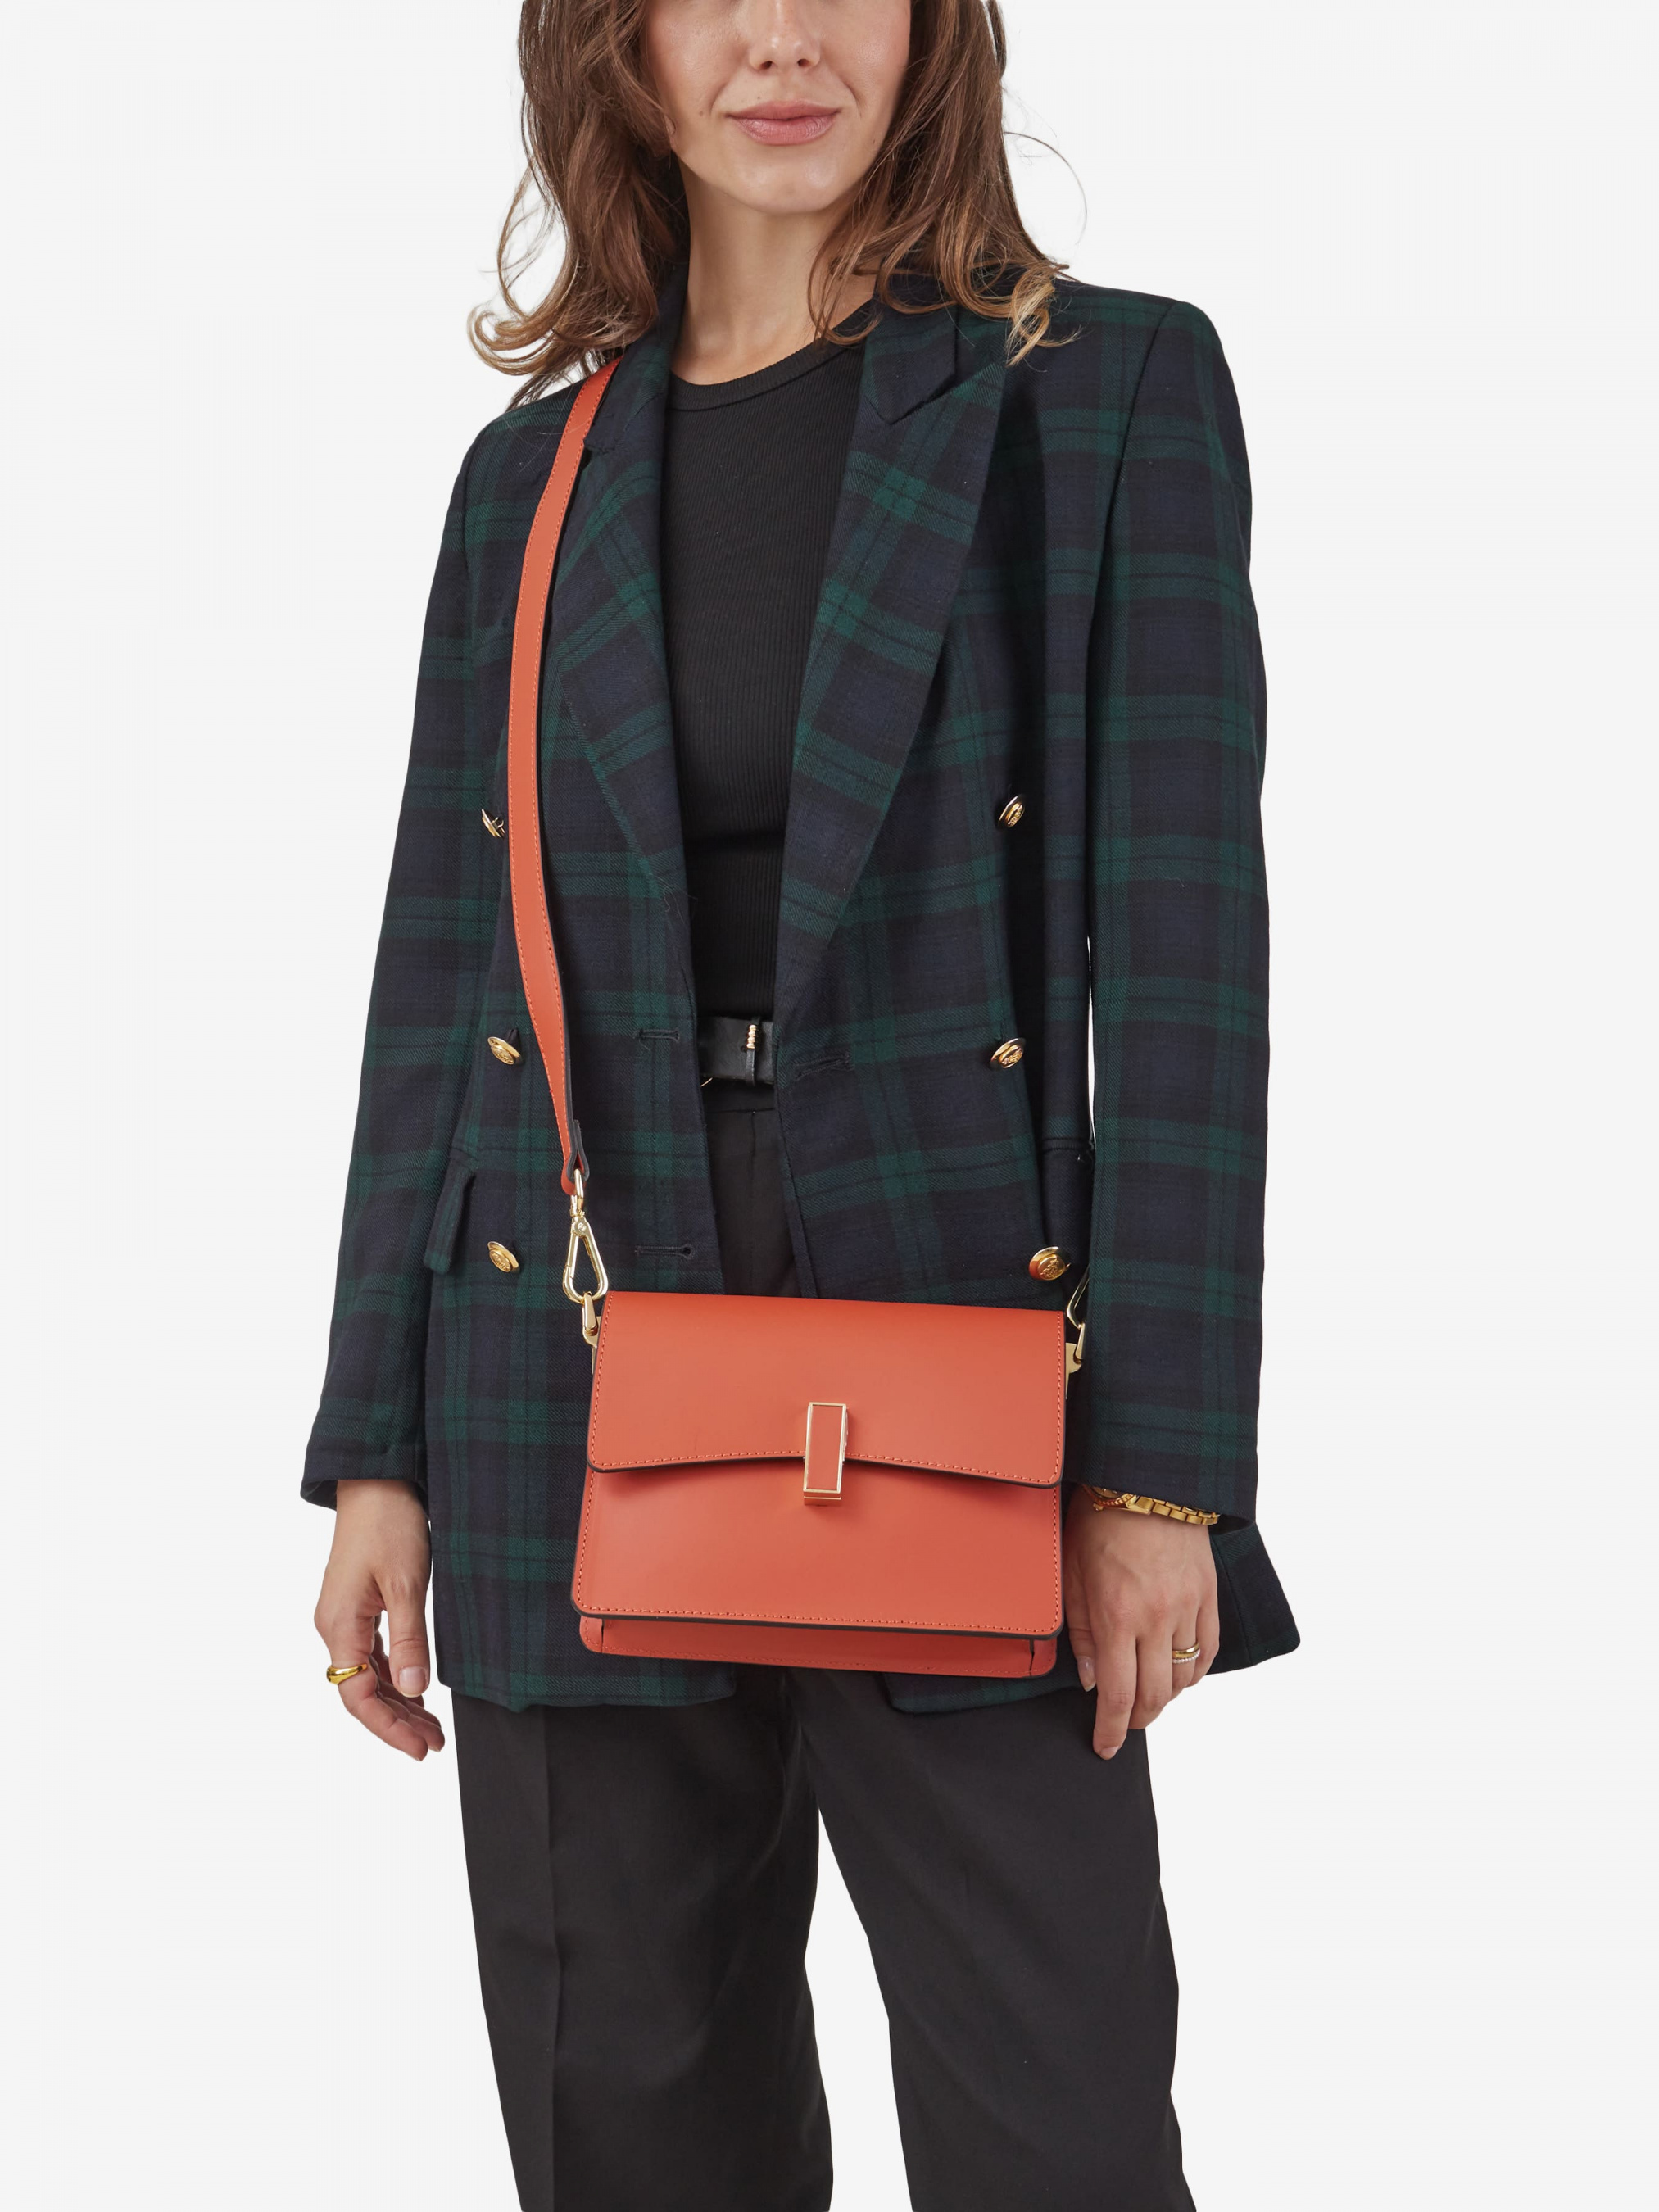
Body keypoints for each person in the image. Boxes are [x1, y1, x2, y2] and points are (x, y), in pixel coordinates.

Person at [306, 2, 1297, 2205]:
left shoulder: (1102, 396)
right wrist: (377, 1445)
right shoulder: (525, 480)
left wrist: (1161, 1472)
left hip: (962, 1342)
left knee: (1053, 2129)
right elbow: (444, 968)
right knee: (630, 2121)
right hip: (554, 1339)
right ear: (616, 46)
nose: (781, 38)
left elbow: (1188, 966)